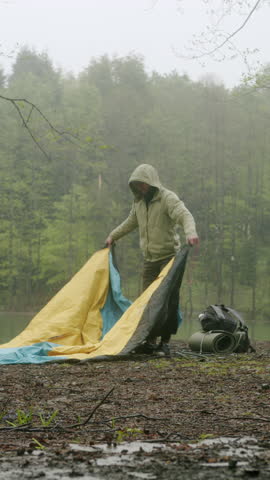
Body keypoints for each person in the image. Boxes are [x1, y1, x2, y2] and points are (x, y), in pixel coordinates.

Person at [105, 164, 199, 356]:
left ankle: (164, 341)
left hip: (169, 258)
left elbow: (184, 215)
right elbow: (130, 222)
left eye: (144, 184)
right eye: (138, 185)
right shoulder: (139, 203)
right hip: (149, 260)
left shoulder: (167, 198)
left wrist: (191, 233)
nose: (141, 188)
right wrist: (112, 236)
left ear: (152, 182)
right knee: (147, 300)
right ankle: (148, 340)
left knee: (167, 300)